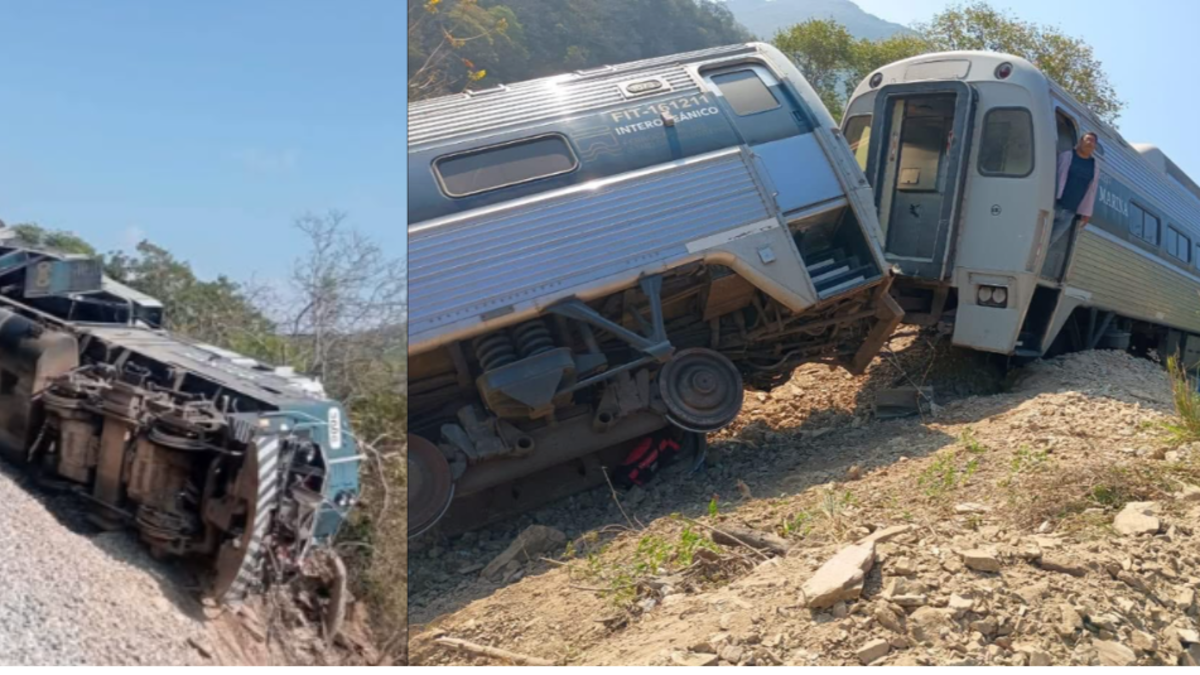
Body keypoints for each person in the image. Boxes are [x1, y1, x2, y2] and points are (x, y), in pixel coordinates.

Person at [1049, 131, 1101, 247]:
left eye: (1093, 141)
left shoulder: (1095, 166)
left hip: (1070, 212)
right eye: (1087, 139)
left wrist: (1087, 212)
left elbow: (1091, 191)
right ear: (1080, 142)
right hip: (1053, 204)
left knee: (1050, 241)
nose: (1089, 143)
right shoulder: (1066, 156)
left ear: (1095, 146)